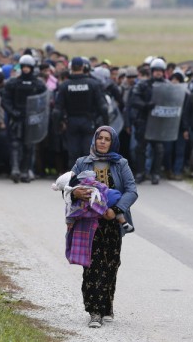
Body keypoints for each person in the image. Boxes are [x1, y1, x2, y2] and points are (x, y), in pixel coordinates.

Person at [69, 126, 138, 328]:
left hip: (111, 223)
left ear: (113, 142)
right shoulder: (82, 163)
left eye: (107, 139)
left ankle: (107, 306)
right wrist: (75, 193)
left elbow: (132, 190)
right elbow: (67, 186)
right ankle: (94, 311)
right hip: (88, 223)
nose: (102, 142)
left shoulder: (121, 163)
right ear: (94, 140)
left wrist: (116, 210)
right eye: (99, 138)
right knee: (91, 266)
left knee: (111, 264)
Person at [52, 57, 109, 169]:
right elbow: (103, 107)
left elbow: (57, 110)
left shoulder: (65, 85)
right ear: (83, 67)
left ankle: (73, 180)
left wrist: (57, 126)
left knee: (73, 154)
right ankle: (87, 181)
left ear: (71, 68)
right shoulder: (93, 84)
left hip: (71, 122)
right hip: (89, 122)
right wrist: (106, 125)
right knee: (88, 153)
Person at [1, 54, 47, 183]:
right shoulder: (13, 82)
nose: (26, 69)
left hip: (31, 120)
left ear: (32, 68)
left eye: (28, 67)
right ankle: (15, 169)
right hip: (17, 118)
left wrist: (37, 115)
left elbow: (44, 102)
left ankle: (25, 171)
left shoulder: (38, 84)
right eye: (24, 67)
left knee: (29, 146)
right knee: (15, 145)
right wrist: (12, 112)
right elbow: (5, 100)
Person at [128, 58, 168, 185]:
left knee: (159, 148)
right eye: (156, 70)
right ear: (151, 71)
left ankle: (155, 174)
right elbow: (134, 100)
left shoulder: (167, 86)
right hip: (144, 121)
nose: (158, 73)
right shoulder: (142, 84)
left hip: (159, 122)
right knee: (140, 148)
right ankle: (140, 173)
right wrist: (145, 105)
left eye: (160, 71)